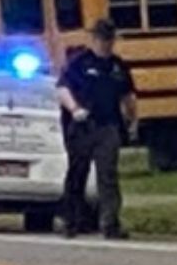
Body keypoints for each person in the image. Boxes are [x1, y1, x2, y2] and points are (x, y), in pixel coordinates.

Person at [56, 18, 137, 240]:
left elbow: (128, 96)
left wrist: (132, 120)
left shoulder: (117, 66)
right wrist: (74, 109)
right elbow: (63, 89)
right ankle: (71, 221)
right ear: (93, 39)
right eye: (102, 39)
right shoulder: (79, 63)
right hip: (82, 125)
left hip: (108, 125)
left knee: (108, 175)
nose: (106, 44)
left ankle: (110, 223)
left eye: (109, 39)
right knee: (77, 173)